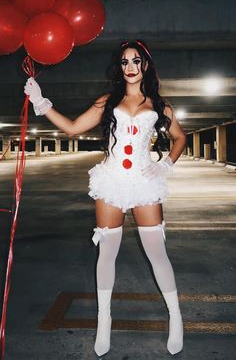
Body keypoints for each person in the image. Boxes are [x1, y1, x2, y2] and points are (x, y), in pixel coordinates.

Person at [24, 40, 186, 358]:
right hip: (112, 181)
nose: (130, 67)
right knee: (106, 254)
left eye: (136, 61)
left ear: (145, 66)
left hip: (144, 182)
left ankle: (176, 318)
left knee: (157, 253)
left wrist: (166, 163)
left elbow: (180, 137)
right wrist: (41, 102)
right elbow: (72, 128)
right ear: (119, 67)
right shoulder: (106, 102)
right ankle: (103, 322)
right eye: (125, 62)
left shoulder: (159, 104)